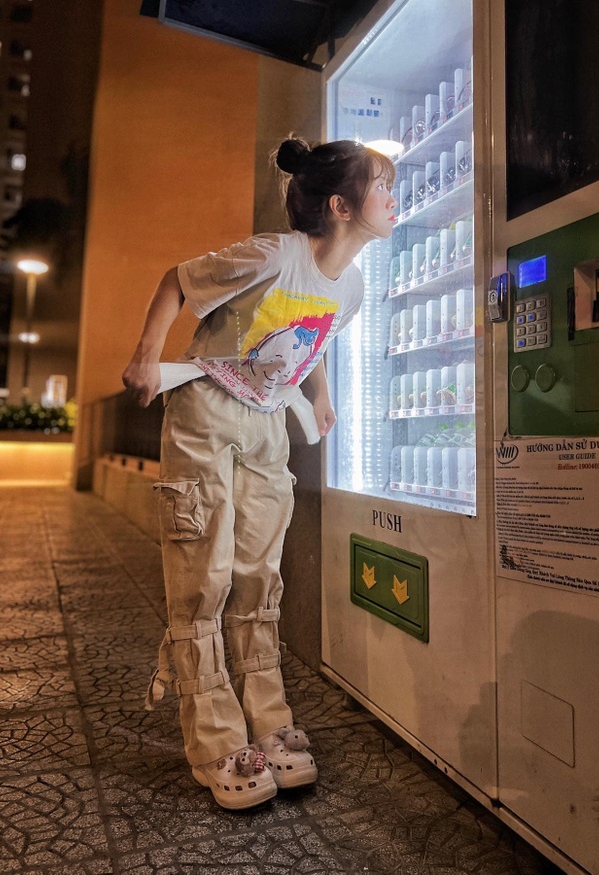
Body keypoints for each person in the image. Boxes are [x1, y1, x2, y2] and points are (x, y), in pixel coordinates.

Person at [122, 136, 396, 810]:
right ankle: (216, 740)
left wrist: (319, 395)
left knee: (258, 577)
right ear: (340, 206)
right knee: (204, 576)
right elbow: (177, 280)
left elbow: (311, 337)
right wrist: (146, 357)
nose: (394, 198)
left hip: (268, 421)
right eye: (382, 186)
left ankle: (268, 723)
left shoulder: (353, 286)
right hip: (205, 410)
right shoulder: (275, 254)